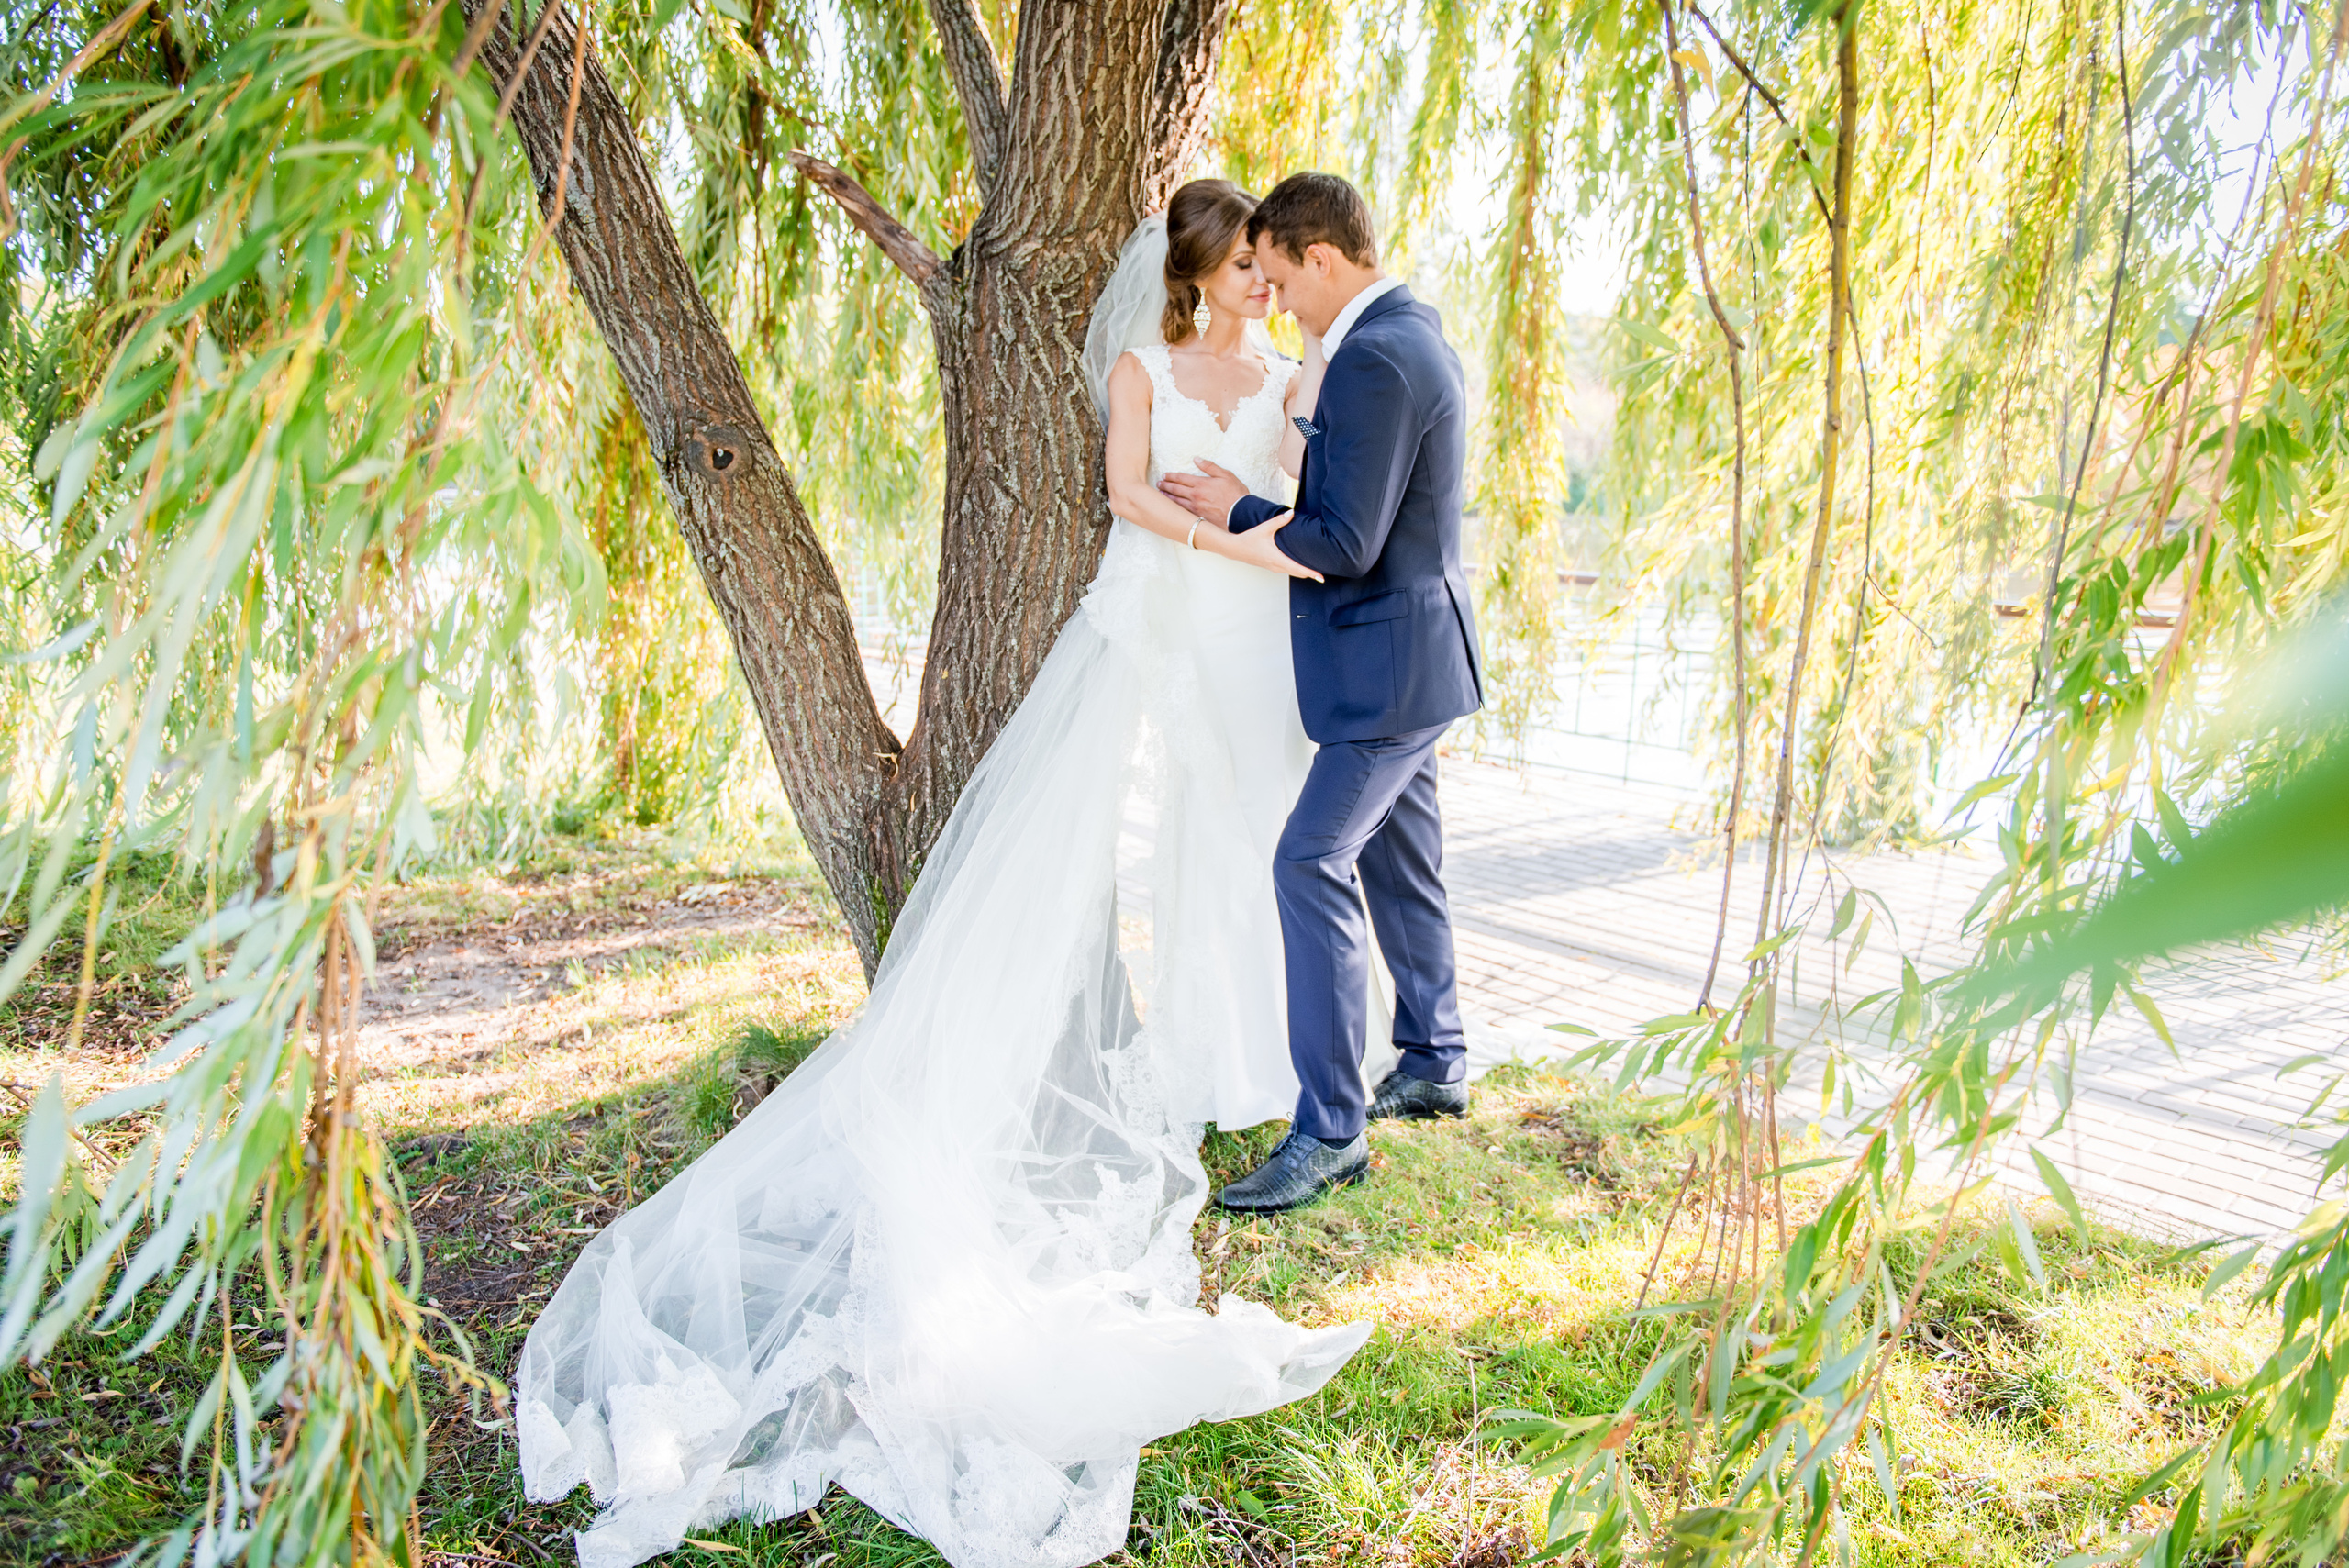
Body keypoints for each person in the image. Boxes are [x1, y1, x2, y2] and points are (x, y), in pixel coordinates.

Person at [514, 179, 1373, 1568]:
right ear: (1201, 270)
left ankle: (1251, 1058)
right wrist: (1227, 532)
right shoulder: (1148, 366)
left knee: (1241, 836)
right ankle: (1047, 1040)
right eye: (1247, 266)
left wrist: (1272, 511)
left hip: (1250, 625)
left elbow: (1303, 485)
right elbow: (1124, 497)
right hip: (1168, 598)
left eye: (1275, 270)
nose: (1265, 283)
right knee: (1078, 832)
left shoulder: (1282, 372)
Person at [1159, 173, 1486, 1217]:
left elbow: (1344, 540)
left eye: (1281, 274)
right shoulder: (1391, 340)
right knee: (1402, 858)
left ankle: (1330, 1127)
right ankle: (1433, 1056)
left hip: (1389, 672)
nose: (1277, 298)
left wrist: (1240, 505)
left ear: (1322, 259)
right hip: (1407, 660)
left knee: (1309, 861)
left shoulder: (1380, 356)